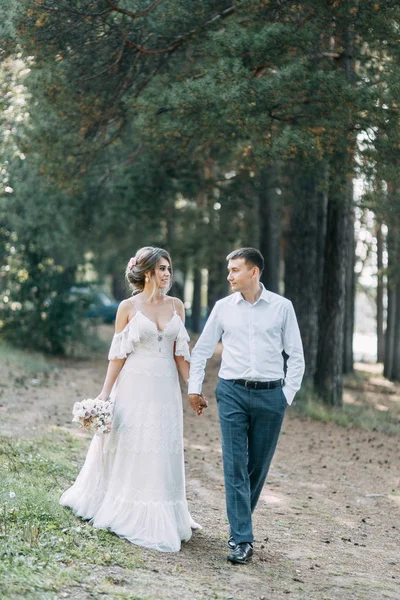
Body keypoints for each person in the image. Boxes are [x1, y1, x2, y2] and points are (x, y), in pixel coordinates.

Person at [60, 246, 202, 552]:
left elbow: (181, 354)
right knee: (132, 444)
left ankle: (165, 509)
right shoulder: (127, 307)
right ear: (147, 272)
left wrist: (193, 387)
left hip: (165, 389)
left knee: (161, 446)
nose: (167, 274)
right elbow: (118, 355)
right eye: (162, 268)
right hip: (134, 386)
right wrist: (105, 393)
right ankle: (126, 504)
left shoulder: (178, 306)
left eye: (169, 269)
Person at [188, 247, 305, 564]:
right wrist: (194, 389)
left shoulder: (282, 308)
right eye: (229, 270)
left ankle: (239, 524)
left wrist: (285, 396)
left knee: (256, 467)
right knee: (235, 465)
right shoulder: (223, 308)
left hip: (271, 396)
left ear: (254, 272)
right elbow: (200, 352)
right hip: (232, 394)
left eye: (235, 270)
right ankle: (242, 539)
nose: (229, 276)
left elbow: (296, 356)